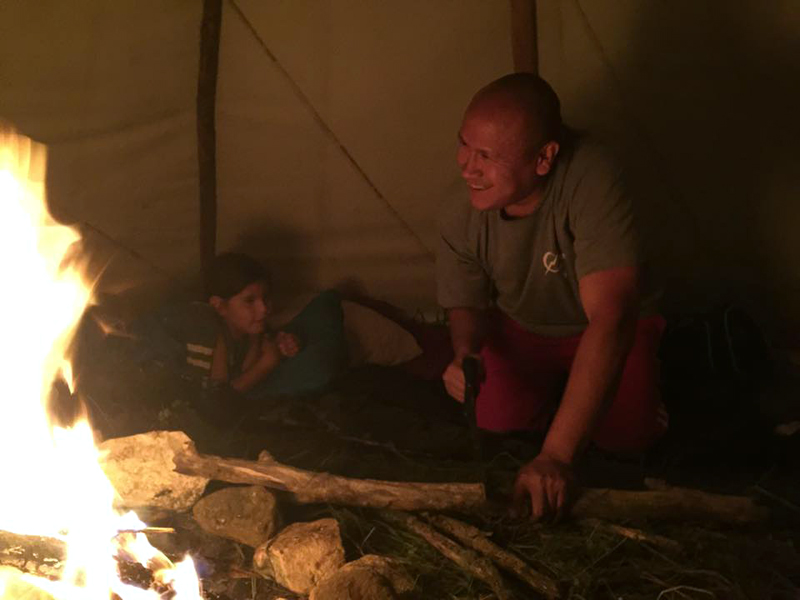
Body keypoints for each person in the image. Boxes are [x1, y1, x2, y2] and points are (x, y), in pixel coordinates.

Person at [437, 73, 668, 520]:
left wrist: (556, 457)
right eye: (464, 144)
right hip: (525, 325)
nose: (467, 166)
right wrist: (466, 353)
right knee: (491, 413)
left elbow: (613, 317)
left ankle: (630, 395)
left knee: (629, 434)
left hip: (599, 328)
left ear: (543, 158)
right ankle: (561, 401)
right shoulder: (459, 207)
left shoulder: (593, 178)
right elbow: (464, 299)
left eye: (486, 155)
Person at [148, 252, 348, 424]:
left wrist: (282, 345)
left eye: (265, 298)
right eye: (250, 301)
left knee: (324, 311)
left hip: (232, 387)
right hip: (166, 387)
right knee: (316, 370)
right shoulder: (207, 329)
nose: (263, 308)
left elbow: (250, 359)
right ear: (220, 306)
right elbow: (216, 405)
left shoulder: (248, 329)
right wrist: (268, 364)